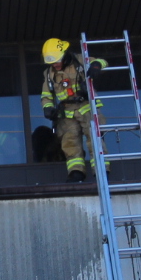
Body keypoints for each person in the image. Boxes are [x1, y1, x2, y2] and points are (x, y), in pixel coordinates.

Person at [39, 39, 106, 182]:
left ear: (64, 54)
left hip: (87, 107)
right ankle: (76, 173)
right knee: (70, 143)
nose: (55, 64)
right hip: (67, 113)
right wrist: (48, 107)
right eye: (52, 62)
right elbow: (46, 95)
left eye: (57, 60)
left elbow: (102, 62)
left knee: (94, 139)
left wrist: (95, 66)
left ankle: (101, 170)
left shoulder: (80, 61)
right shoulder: (49, 74)